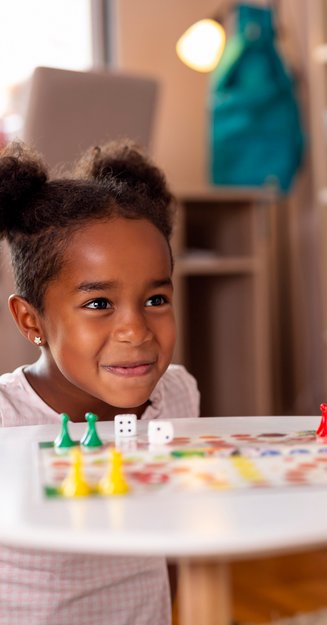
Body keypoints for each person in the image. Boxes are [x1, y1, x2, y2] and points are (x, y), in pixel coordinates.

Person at [0, 140, 199, 625]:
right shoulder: (5, 419)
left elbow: (172, 542)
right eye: (98, 303)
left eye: (155, 299)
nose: (135, 330)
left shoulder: (177, 394)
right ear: (32, 321)